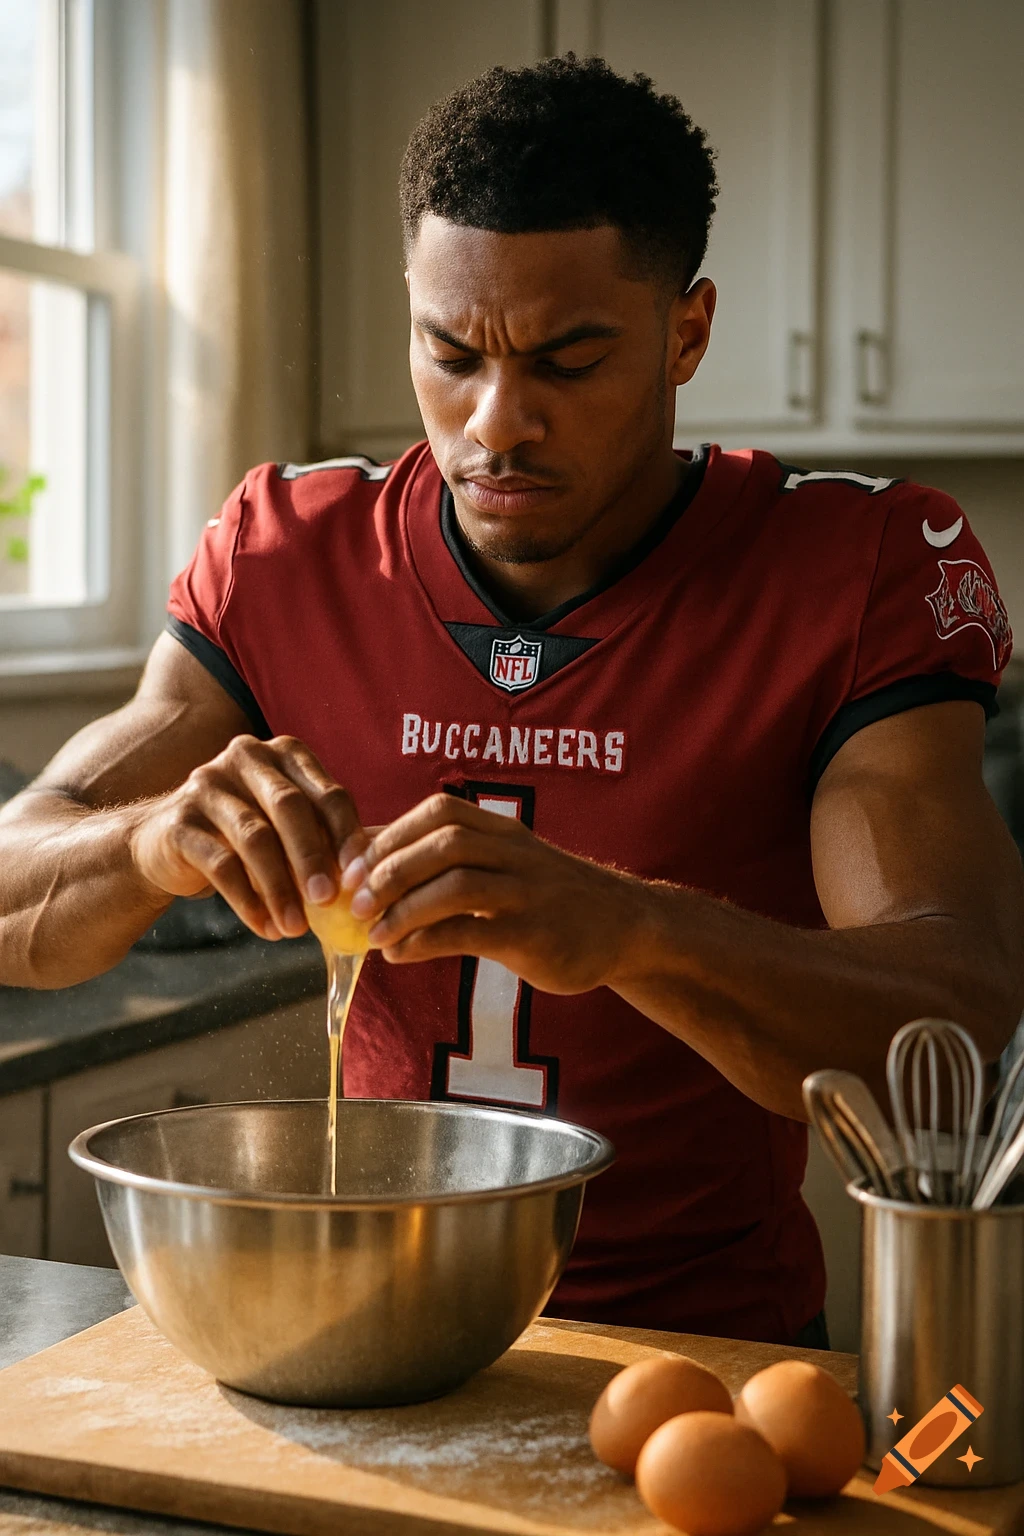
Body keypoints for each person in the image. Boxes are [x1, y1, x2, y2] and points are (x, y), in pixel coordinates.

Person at [1, 56, 1021, 1347]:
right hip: (364, 1334)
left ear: (686, 333)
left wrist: (631, 928)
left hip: (697, 1355)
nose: (498, 424)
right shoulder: (286, 554)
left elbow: (955, 1031)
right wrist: (148, 845)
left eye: (568, 361)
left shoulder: (845, 571)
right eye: (452, 352)